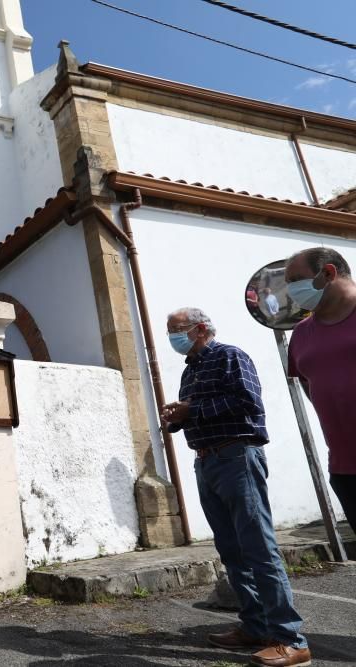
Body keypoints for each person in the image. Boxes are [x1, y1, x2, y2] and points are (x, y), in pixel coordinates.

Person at [160, 307, 310, 667]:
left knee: (258, 547)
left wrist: (192, 410)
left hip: (237, 457)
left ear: (199, 329)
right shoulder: (191, 370)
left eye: (175, 330)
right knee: (231, 549)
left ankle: (291, 639)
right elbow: (199, 410)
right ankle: (255, 626)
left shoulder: (230, 356)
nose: (171, 338)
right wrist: (177, 418)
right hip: (207, 460)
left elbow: (247, 402)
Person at [286, 247, 356, 529]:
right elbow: (307, 382)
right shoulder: (301, 333)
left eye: (295, 280)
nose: (291, 290)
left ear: (328, 273)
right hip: (345, 469)